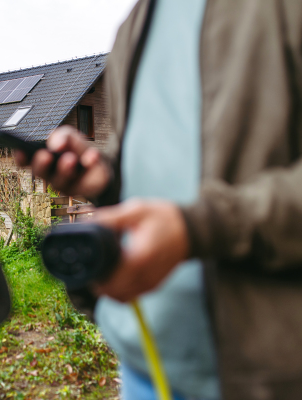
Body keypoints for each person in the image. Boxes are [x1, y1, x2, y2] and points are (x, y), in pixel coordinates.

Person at [16, 0, 302, 399]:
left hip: (264, 379)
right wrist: (106, 177)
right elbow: (168, 166)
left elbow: (197, 214)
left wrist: (198, 227)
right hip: (144, 367)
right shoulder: (134, 26)